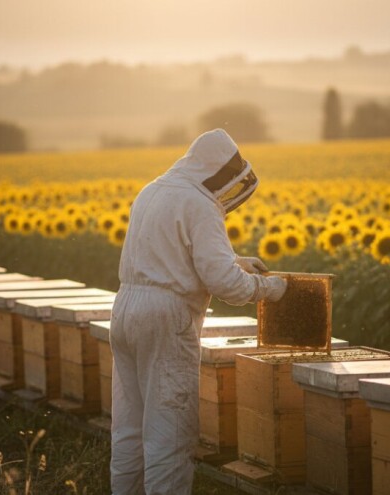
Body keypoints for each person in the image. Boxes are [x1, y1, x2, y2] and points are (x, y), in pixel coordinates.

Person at [109, 128, 287, 494]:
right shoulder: (200, 203)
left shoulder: (152, 191)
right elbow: (227, 286)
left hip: (125, 308)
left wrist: (235, 260)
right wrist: (272, 288)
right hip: (165, 317)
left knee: (129, 428)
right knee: (168, 433)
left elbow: (169, 254)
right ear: (220, 172)